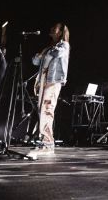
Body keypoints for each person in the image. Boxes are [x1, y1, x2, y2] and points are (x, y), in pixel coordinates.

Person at [28, 22, 70, 158]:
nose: (51, 29)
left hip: (53, 81)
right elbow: (35, 62)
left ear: (61, 32)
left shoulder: (64, 45)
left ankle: (48, 144)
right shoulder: (49, 47)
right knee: (42, 111)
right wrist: (41, 55)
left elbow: (58, 54)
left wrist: (44, 53)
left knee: (47, 110)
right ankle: (45, 142)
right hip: (44, 82)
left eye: (55, 28)